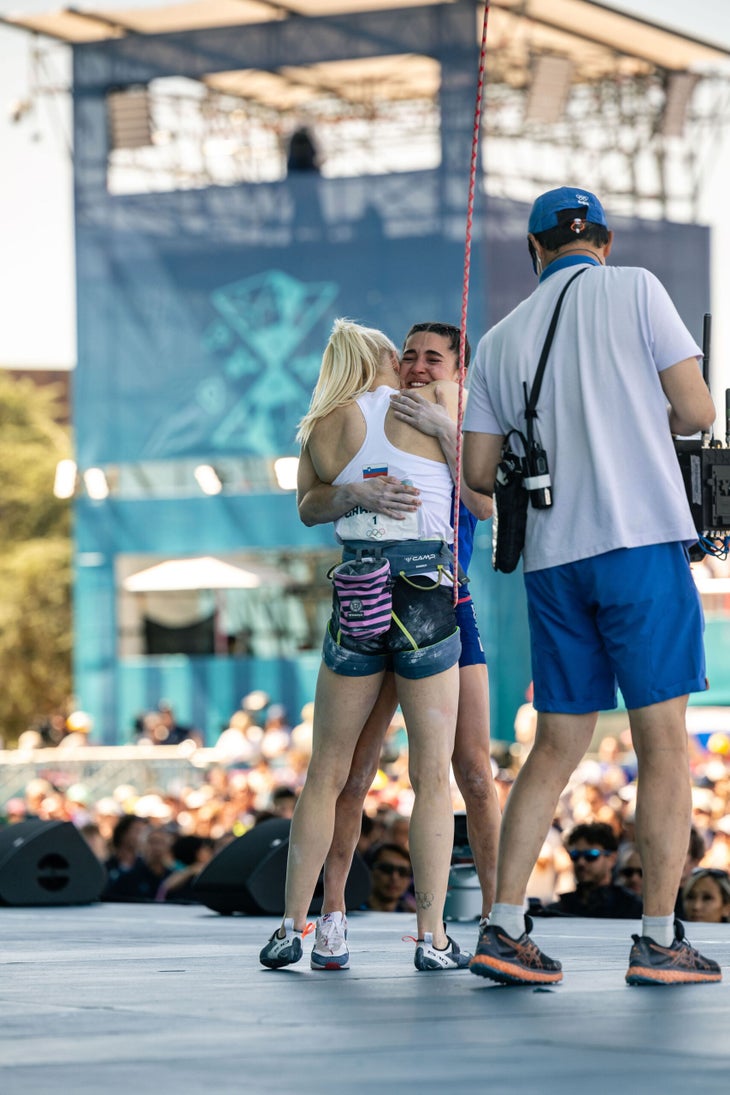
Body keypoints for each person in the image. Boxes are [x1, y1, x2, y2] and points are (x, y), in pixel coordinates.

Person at [463, 185, 721, 986]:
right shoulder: (638, 288)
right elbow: (696, 406)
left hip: (552, 558)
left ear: (535, 250)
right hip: (640, 542)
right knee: (664, 745)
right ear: (601, 242)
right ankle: (656, 938)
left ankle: (503, 928)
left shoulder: (502, 339)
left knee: (556, 745)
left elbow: (476, 472)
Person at [259, 318, 469, 973]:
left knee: (328, 770)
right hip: (424, 586)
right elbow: (486, 475)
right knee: (432, 775)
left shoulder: (320, 424)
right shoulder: (435, 402)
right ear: (380, 359)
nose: (409, 367)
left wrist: (353, 491)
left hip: (357, 587)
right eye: (399, 356)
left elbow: (307, 506)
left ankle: (295, 925)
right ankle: (432, 936)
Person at [296, 321, 501, 932]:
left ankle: (500, 915)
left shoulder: (454, 414)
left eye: (431, 359)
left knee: (473, 772)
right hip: (382, 596)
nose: (416, 367)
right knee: (353, 771)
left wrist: (446, 431)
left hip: (449, 604)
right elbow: (311, 503)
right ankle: (330, 909)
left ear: (457, 370)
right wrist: (357, 492)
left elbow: (488, 502)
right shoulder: (380, 415)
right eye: (407, 355)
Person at [535, 822, 642, 919]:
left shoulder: (633, 908)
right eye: (575, 855)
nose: (581, 862)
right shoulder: (558, 909)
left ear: (612, 859)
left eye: (591, 855)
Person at [364, 843, 416, 913]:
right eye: (386, 869)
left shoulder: (413, 916)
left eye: (403, 871)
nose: (394, 877)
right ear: (370, 871)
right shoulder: (349, 913)